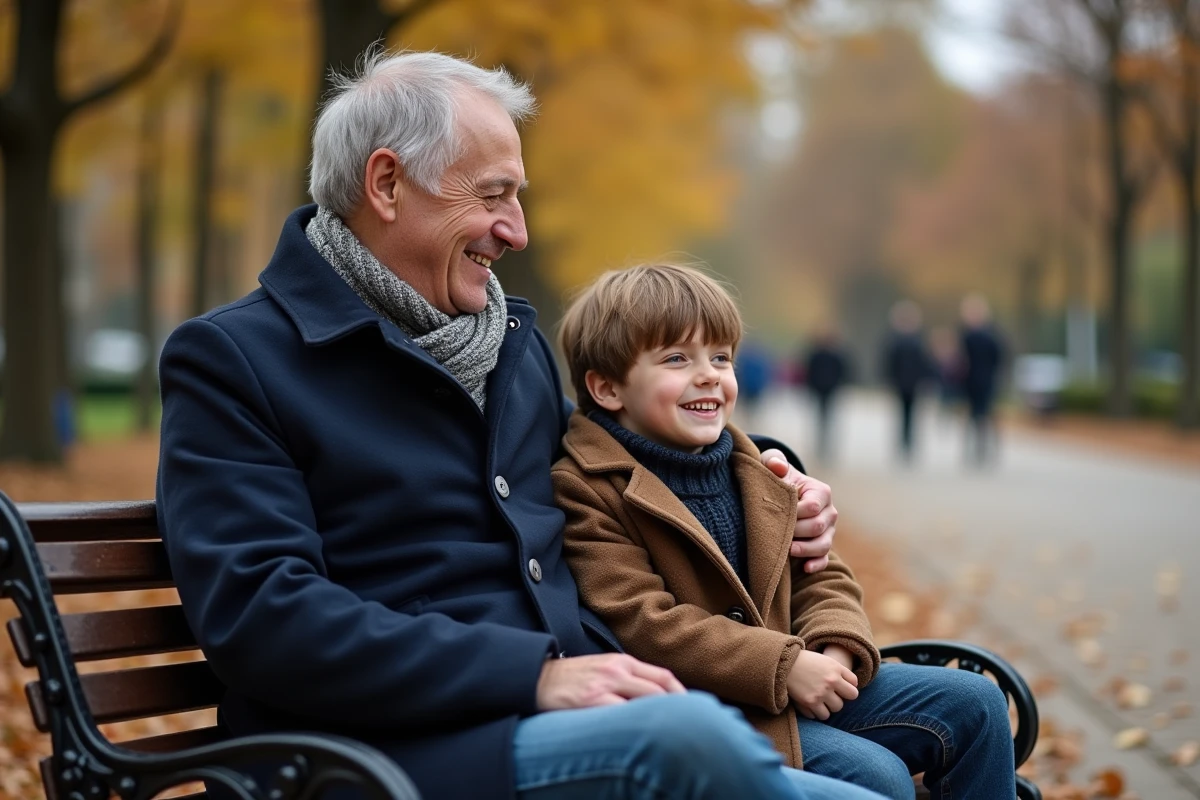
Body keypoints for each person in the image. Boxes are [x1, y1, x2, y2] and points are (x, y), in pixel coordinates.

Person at [155, 50, 868, 800]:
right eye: (494, 195)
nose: (517, 231)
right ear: (388, 184)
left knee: (883, 764)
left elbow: (620, 466)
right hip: (370, 757)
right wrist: (534, 675)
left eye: (518, 197)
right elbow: (263, 616)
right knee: (691, 738)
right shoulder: (234, 360)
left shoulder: (508, 348)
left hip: (580, 715)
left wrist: (776, 480)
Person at [551, 264, 1017, 800]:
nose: (709, 375)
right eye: (677, 358)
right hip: (714, 711)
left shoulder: (753, 466)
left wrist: (834, 649)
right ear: (607, 388)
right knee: (877, 776)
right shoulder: (586, 487)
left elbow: (821, 571)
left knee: (976, 703)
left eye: (721, 357)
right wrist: (784, 664)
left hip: (804, 677)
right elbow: (644, 623)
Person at [882, 300, 933, 462]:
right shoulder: (894, 340)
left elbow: (925, 363)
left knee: (911, 415)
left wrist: (925, 379)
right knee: (902, 414)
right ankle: (903, 443)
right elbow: (888, 362)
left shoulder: (918, 339)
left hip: (913, 383)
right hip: (900, 383)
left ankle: (909, 443)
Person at [959, 294, 1006, 465]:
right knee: (971, 415)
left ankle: (986, 447)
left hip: (987, 381)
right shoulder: (963, 335)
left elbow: (999, 358)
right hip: (969, 382)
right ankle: (972, 448)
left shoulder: (992, 335)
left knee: (987, 414)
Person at [801, 326, 850, 462]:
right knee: (824, 418)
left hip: (827, 389)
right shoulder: (827, 354)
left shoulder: (824, 354)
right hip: (824, 389)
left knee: (825, 418)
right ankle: (823, 445)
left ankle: (825, 445)